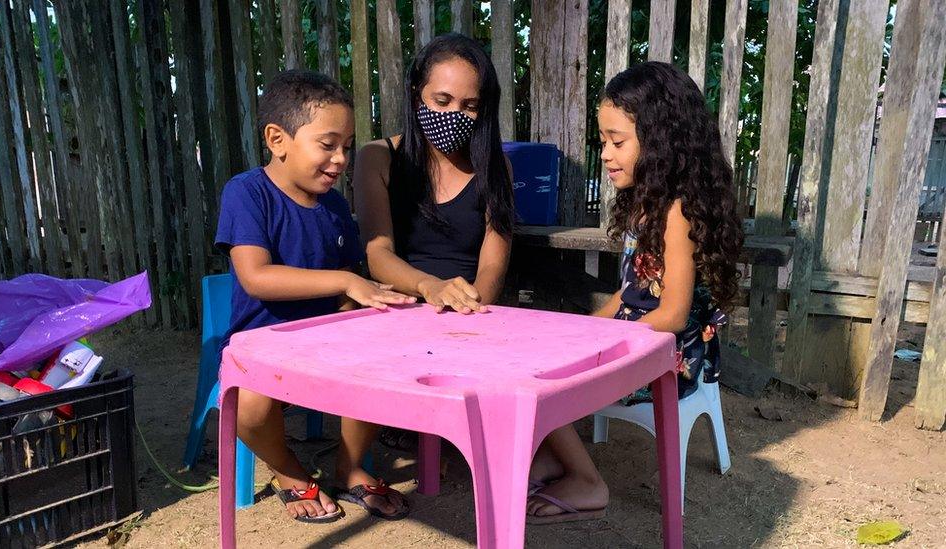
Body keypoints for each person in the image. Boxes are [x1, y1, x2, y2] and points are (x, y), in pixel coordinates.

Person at [526, 61, 744, 524]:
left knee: (542, 384)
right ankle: (553, 459)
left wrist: (601, 342)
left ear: (663, 141)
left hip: (669, 357)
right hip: (639, 338)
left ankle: (588, 481)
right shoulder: (643, 204)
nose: (605, 153)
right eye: (603, 140)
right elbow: (627, 296)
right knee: (538, 350)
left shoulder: (677, 213)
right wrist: (582, 327)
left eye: (617, 141)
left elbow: (673, 315)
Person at [215, 69, 415, 523]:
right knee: (250, 407)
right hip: (263, 345)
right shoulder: (247, 193)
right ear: (277, 138)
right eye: (328, 145)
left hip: (324, 342)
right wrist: (345, 282)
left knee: (379, 362)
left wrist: (371, 299)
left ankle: (352, 466)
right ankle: (288, 470)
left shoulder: (335, 208)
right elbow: (256, 277)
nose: (342, 158)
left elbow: (347, 284)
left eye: (346, 146)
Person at [353, 33, 516, 451]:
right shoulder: (378, 157)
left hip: (470, 312)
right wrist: (430, 288)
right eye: (441, 102)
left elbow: (493, 262)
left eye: (469, 106)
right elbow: (378, 254)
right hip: (401, 305)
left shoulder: (497, 169)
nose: (454, 115)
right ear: (415, 95)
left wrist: (472, 305)